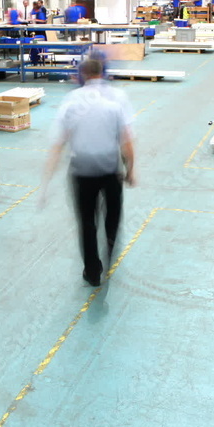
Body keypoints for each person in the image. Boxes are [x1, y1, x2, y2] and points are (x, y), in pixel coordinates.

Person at [42, 59, 136, 287]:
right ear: (102, 73)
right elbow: (126, 142)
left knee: (87, 222)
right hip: (110, 169)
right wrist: (130, 169)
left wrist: (46, 181)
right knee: (112, 216)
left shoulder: (71, 102)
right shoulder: (116, 102)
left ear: (82, 75)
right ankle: (110, 248)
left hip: (82, 171)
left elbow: (59, 142)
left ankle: (92, 271)